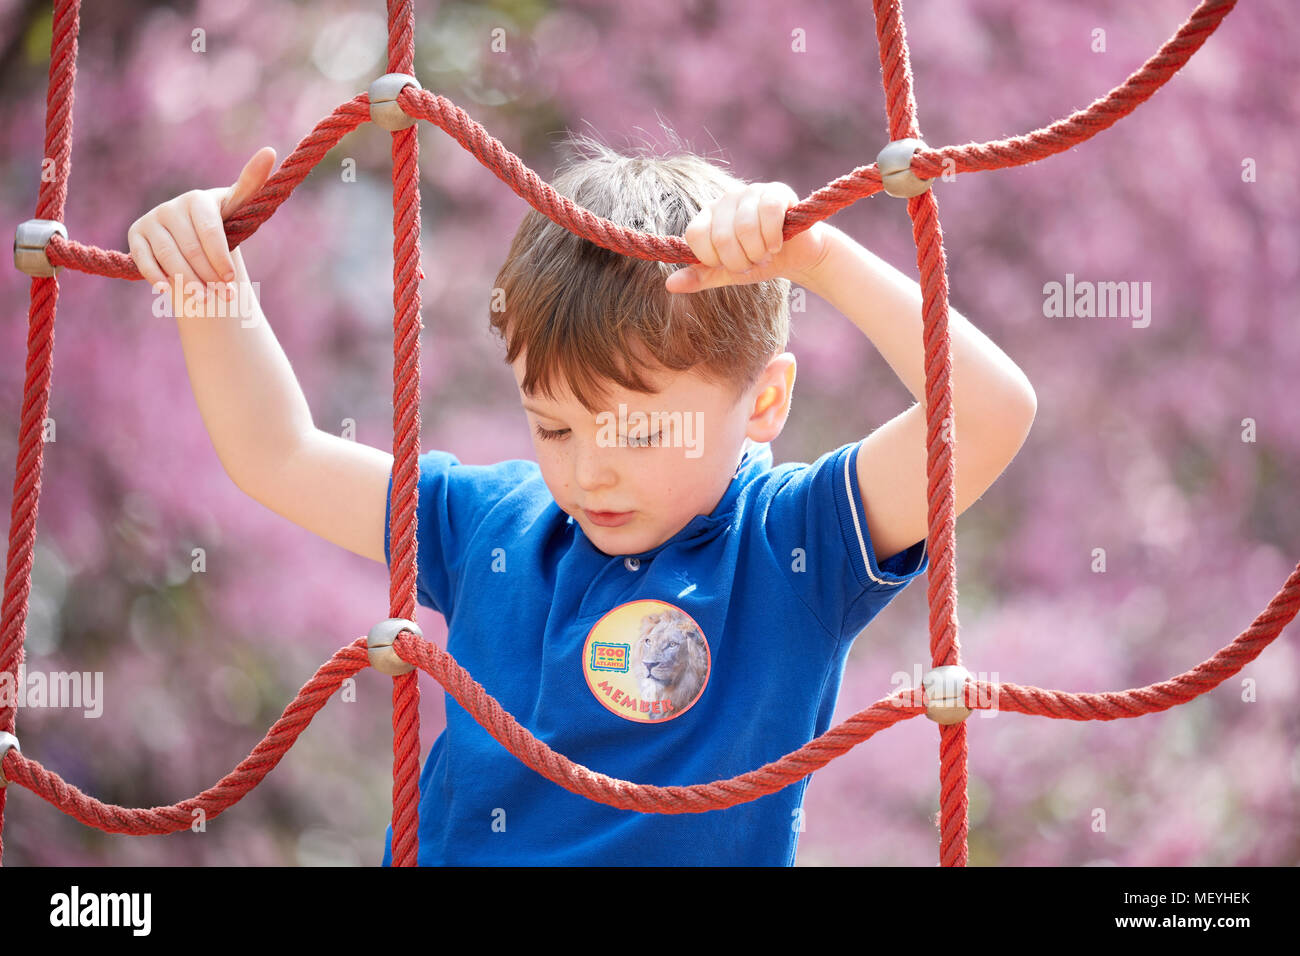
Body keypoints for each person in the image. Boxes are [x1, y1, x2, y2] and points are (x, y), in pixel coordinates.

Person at [127, 132, 1037, 865]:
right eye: (554, 429)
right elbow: (279, 455)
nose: (589, 473)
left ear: (763, 402)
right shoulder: (492, 525)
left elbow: (990, 412)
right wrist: (211, 285)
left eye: (639, 434)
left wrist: (822, 261)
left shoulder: (791, 546)